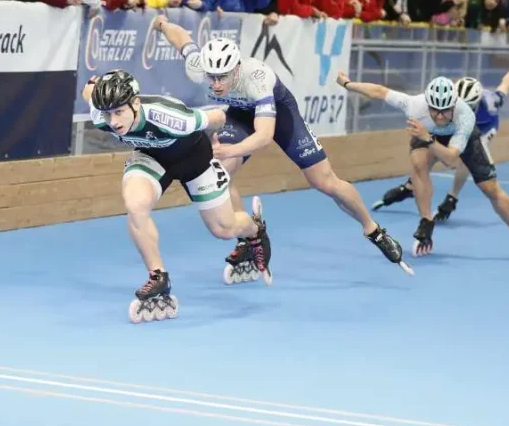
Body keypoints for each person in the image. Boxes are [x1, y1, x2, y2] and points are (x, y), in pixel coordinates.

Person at [152, 16, 412, 275]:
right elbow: (182, 39)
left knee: (324, 182)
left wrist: (228, 150)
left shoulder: (257, 78)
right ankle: (248, 237)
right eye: (212, 78)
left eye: (223, 77)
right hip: (241, 114)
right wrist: (162, 24)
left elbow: (265, 136)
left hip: (280, 114)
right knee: (222, 171)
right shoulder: (198, 67)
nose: (217, 85)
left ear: (237, 68)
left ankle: (373, 230)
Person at [82, 70, 271, 323]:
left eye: (119, 112)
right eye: (108, 114)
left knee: (224, 229)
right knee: (136, 204)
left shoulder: (170, 116)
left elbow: (217, 116)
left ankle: (254, 230)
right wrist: (92, 85)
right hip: (151, 156)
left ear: (135, 102)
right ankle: (158, 276)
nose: (113, 121)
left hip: (194, 158)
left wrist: (224, 138)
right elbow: (89, 92)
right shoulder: (101, 113)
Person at [338, 73, 509, 263]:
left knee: (491, 189)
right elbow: (379, 91)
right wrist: (348, 84)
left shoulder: (465, 116)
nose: (441, 116)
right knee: (418, 162)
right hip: (427, 134)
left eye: (446, 110)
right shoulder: (414, 104)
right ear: (427, 103)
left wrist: (428, 138)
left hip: (456, 139)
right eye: (435, 110)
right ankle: (426, 221)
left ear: (455, 104)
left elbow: (451, 160)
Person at [373, 55, 509, 219]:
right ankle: (410, 186)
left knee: (467, 159)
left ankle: (452, 197)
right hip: (453, 127)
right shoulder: (449, 105)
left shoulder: (491, 101)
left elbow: (508, 82)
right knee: (432, 149)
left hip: (483, 130)